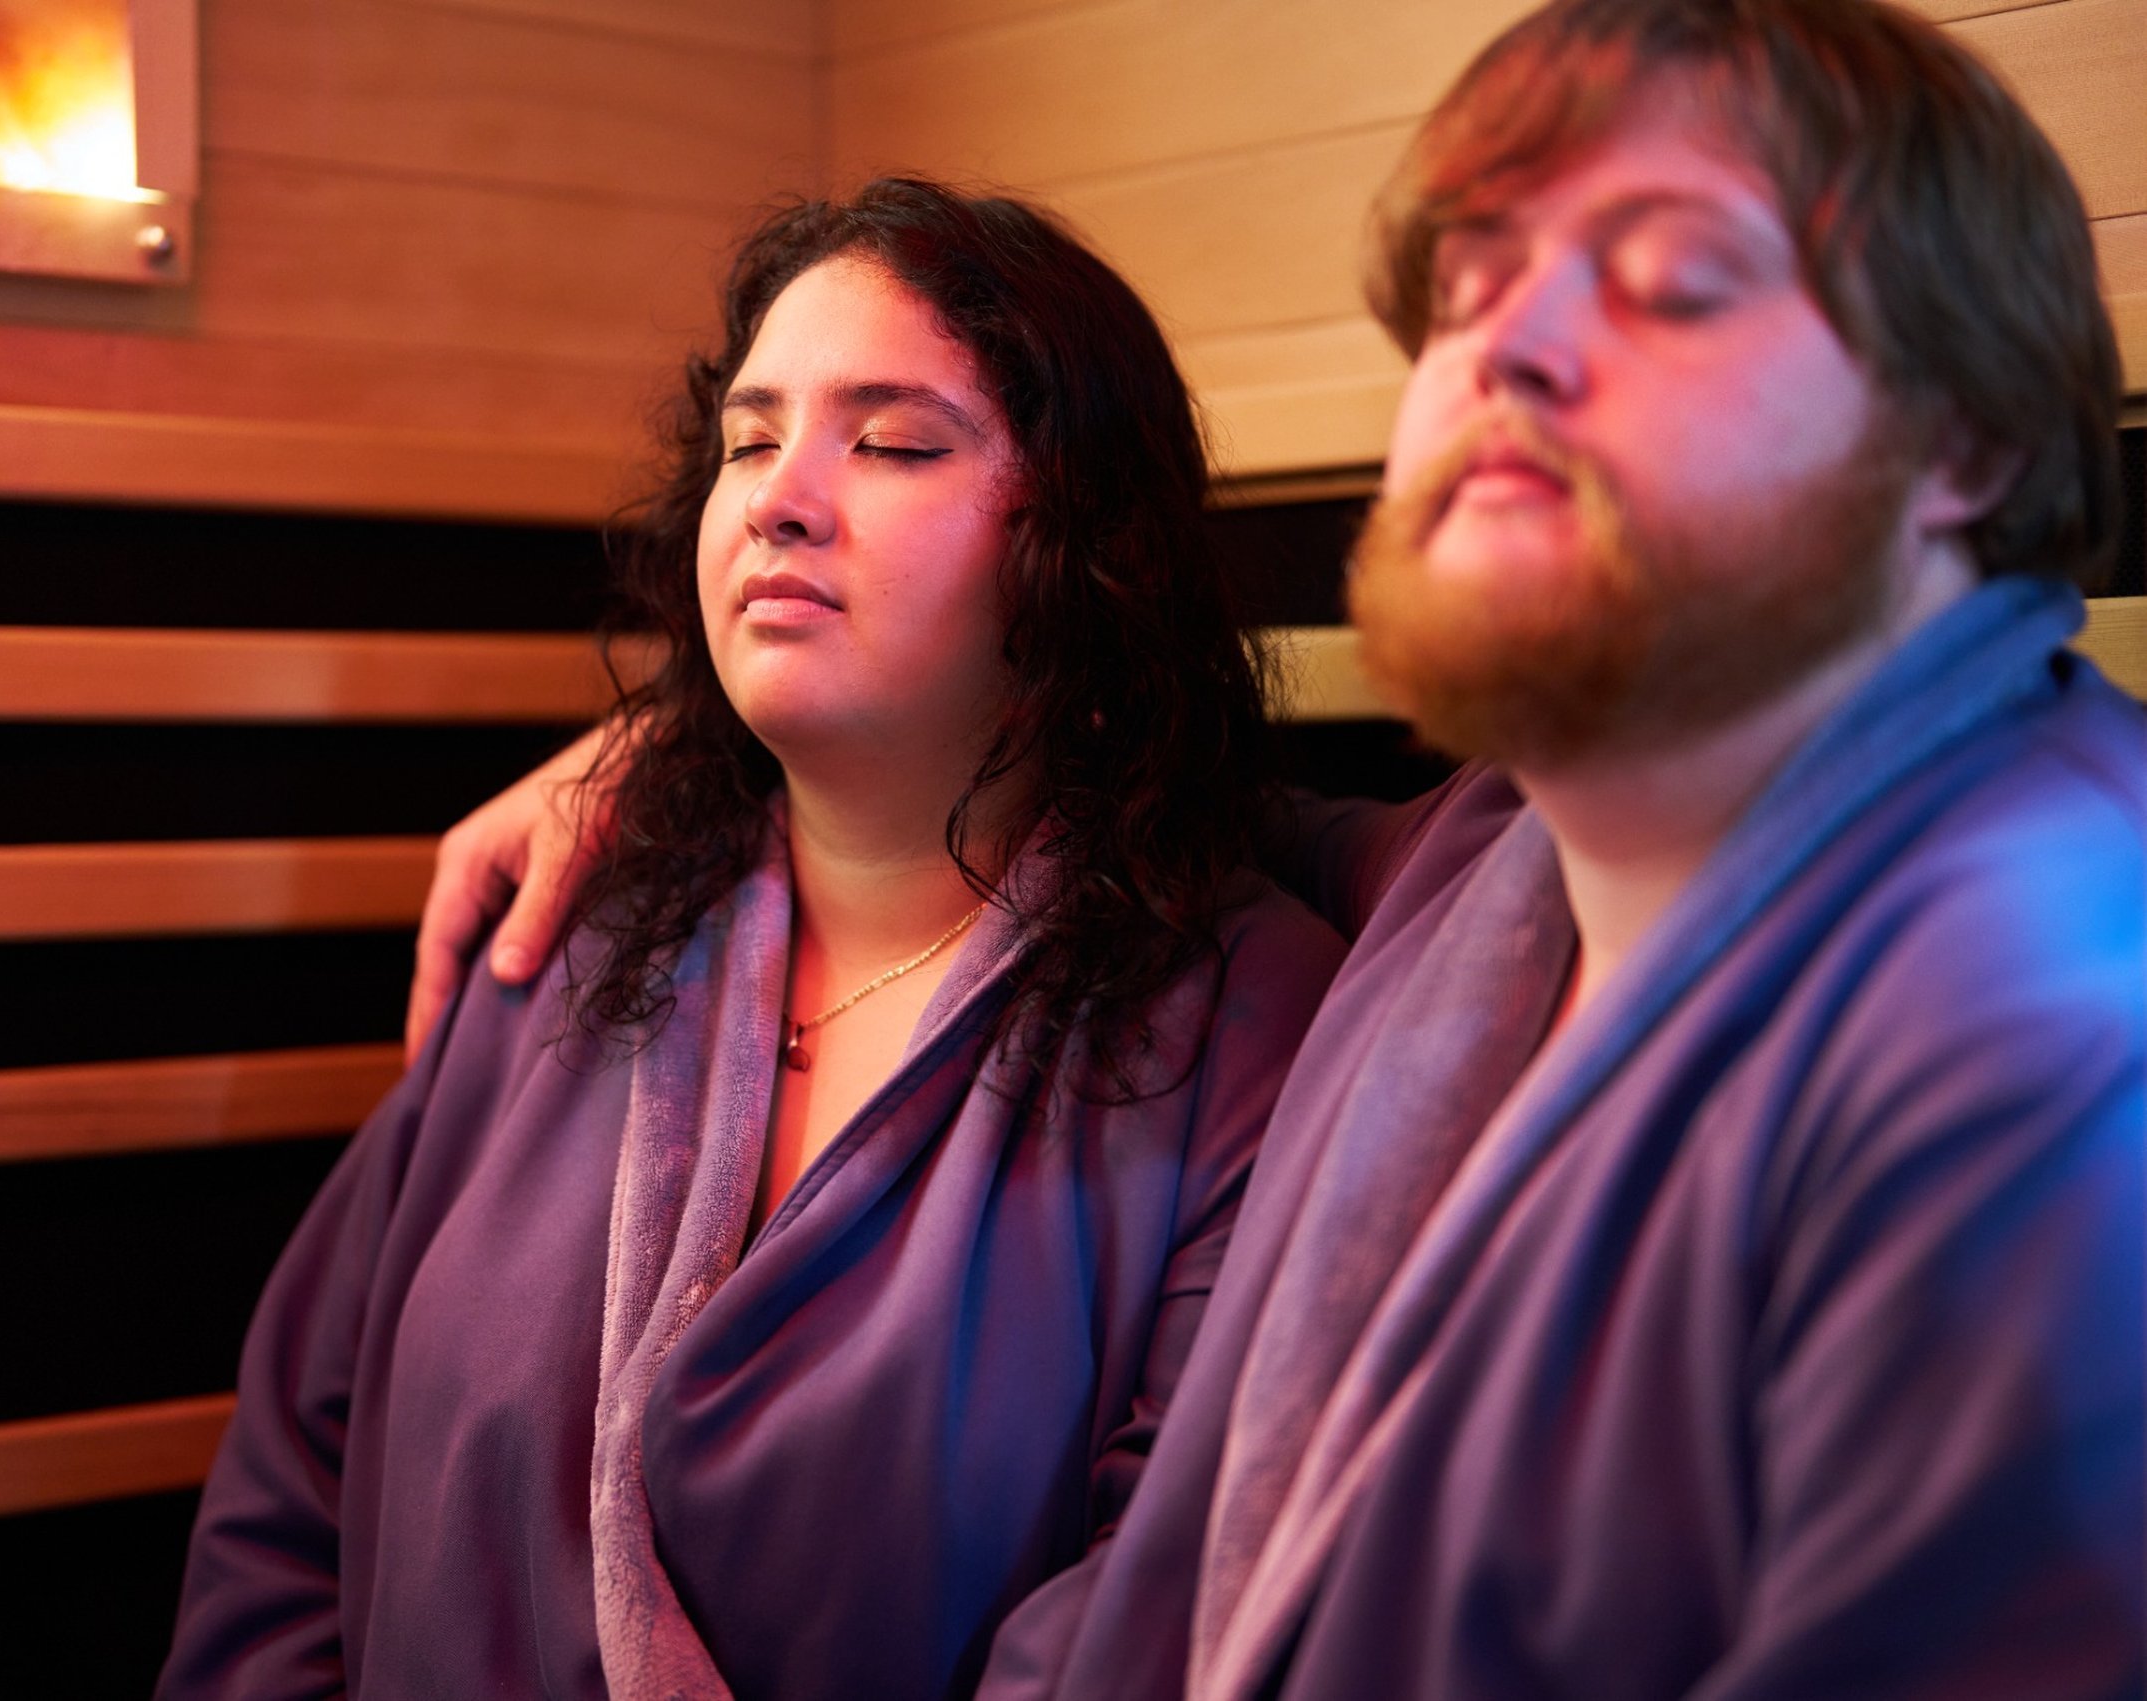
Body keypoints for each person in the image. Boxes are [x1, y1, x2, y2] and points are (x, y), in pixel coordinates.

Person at [415, 2, 2145, 1695]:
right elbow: (1114, 805)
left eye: (1669, 279)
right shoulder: (1491, 879)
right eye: (1465, 293)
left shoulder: (2044, 1016)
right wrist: (712, 740)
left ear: (1962, 441)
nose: (1508, 346)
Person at [155, 179, 1343, 1701]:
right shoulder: (576, 936)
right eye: (751, 440)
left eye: (895, 441)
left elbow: (1153, 1616)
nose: (785, 494)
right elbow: (288, 1493)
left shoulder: (1242, 1031)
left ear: (1088, 551)